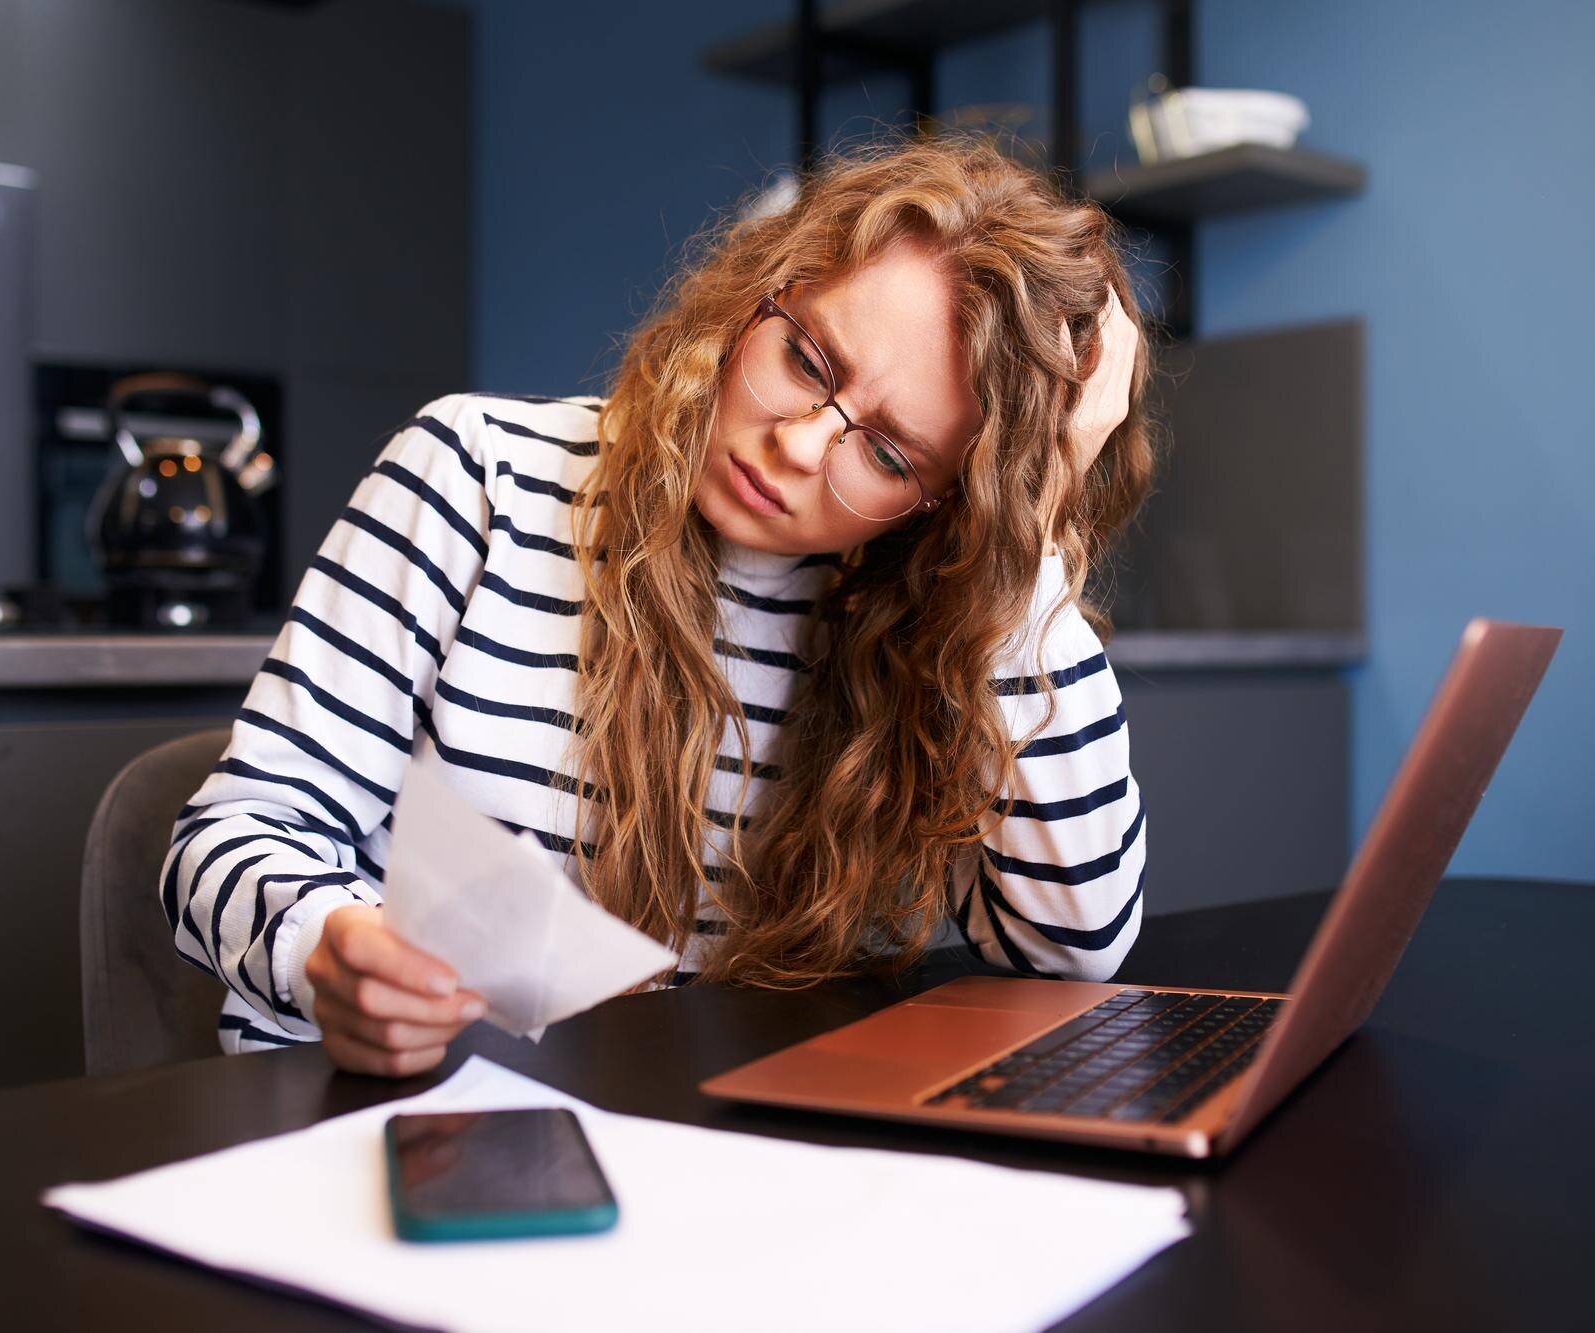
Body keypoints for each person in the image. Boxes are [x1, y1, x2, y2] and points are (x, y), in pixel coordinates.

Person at [163, 133, 1155, 1076]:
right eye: (807, 361)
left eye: (889, 455)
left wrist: (1022, 550)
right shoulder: (477, 476)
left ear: (942, 503)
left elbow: (1073, 951)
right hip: (394, 1111)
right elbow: (232, 834)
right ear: (759, 297)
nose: (799, 445)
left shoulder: (926, 625)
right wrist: (326, 949)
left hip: (690, 1143)